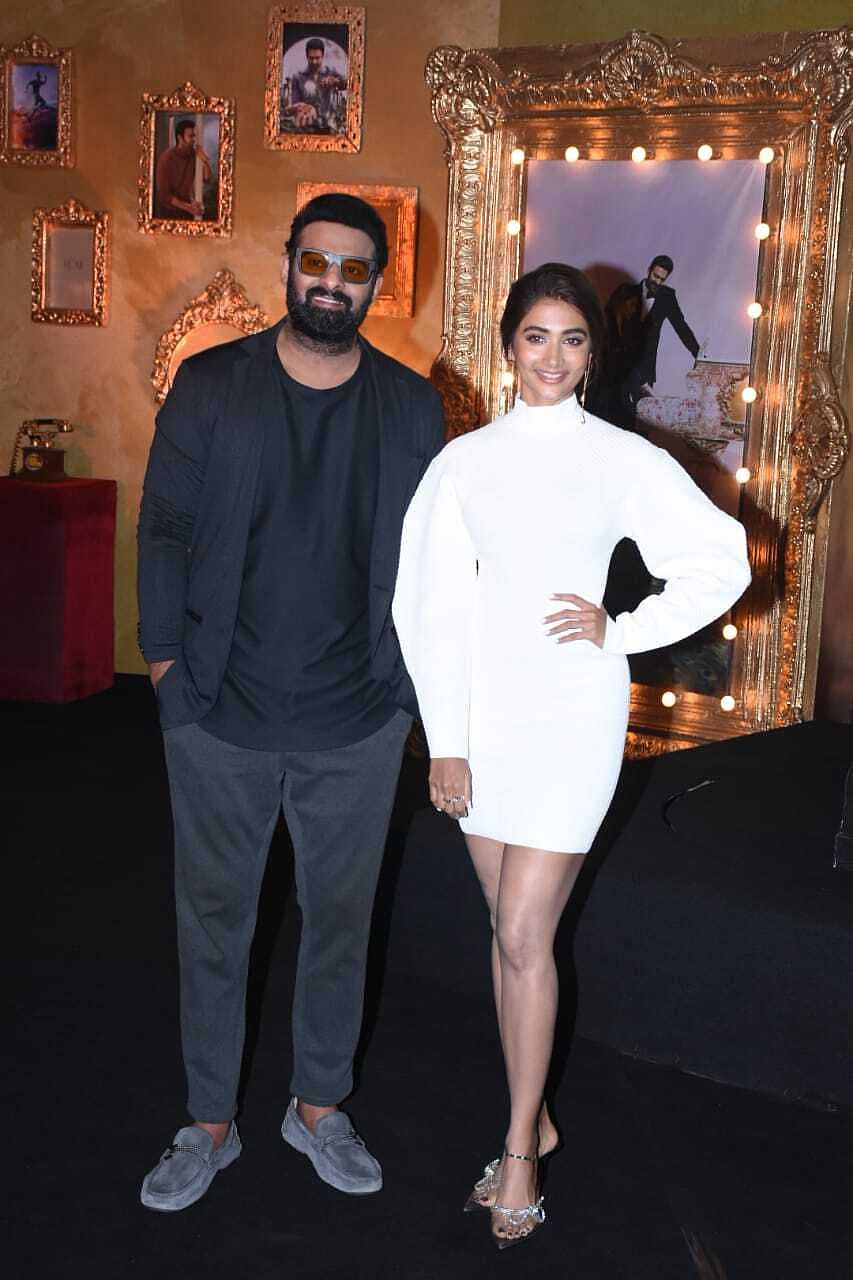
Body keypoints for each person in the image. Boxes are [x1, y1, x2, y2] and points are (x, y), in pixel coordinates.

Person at [392, 262, 750, 1250]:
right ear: (508, 344)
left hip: (570, 717)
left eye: (573, 337)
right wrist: (447, 742)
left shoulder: (619, 458)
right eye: (535, 335)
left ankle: (518, 1149)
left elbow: (720, 558)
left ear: (593, 353)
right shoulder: (463, 463)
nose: (551, 355)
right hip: (482, 723)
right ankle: (537, 1113)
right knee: (511, 936)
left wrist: (623, 629)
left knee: (520, 926)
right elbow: (425, 607)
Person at [137, 192, 445, 1212]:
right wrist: (166, 671)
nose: (330, 282)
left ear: (375, 284)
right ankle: (207, 1122)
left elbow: (435, 560)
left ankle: (317, 1106)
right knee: (213, 924)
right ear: (289, 265)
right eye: (316, 261)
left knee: (340, 923)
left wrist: (404, 699)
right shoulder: (212, 384)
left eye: (353, 269)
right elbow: (164, 527)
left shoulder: (410, 407)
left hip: (356, 719)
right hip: (218, 709)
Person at [602, 254, 701, 430]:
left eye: (662, 279)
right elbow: (607, 321)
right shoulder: (626, 291)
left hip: (645, 368)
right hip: (619, 363)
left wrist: (698, 354)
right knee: (615, 414)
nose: (657, 282)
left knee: (640, 419)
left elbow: (681, 327)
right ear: (649, 271)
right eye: (655, 276)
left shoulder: (667, 297)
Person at [284, 37, 347, 132]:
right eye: (311, 58)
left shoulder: (331, 71)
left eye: (317, 58)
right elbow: (294, 104)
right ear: (306, 56)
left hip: (330, 127)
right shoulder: (298, 77)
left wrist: (336, 81)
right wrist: (304, 107)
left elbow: (348, 83)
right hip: (307, 128)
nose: (314, 62)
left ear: (323, 56)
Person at [154, 118, 212, 221]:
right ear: (180, 138)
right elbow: (165, 195)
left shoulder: (193, 154)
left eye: (194, 136)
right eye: (190, 136)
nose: (194, 139)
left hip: (187, 209)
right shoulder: (166, 158)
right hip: (169, 212)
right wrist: (189, 207)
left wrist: (205, 161)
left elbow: (207, 178)